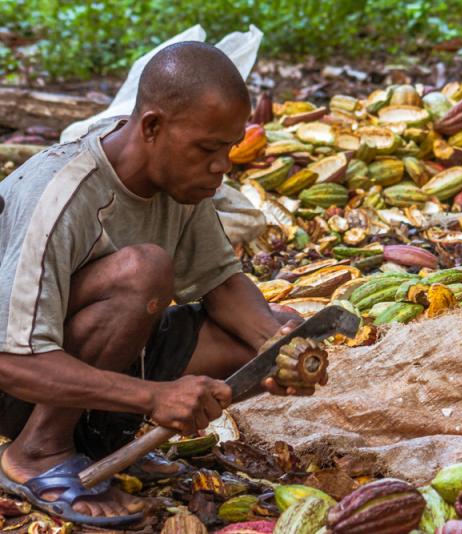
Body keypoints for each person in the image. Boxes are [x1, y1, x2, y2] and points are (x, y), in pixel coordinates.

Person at [0, 42, 299, 526]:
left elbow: (221, 283)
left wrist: (277, 346)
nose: (222, 165)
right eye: (208, 148)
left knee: (272, 331)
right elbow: (11, 360)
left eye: (228, 148)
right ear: (153, 127)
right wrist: (154, 399)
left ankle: (101, 442)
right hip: (22, 378)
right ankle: (38, 450)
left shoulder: (181, 183)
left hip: (106, 352)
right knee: (145, 270)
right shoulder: (60, 195)